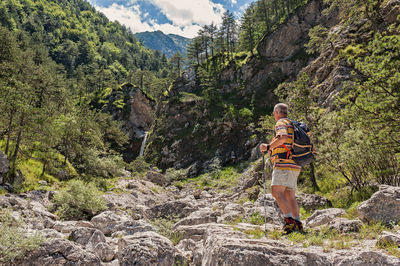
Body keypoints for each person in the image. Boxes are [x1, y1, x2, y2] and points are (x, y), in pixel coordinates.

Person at [260, 103, 303, 234]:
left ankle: (289, 221)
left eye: (274, 113)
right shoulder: (292, 124)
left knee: (276, 192)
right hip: (295, 163)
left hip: (283, 162)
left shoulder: (281, 123)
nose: (274, 116)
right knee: (290, 194)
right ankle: (297, 223)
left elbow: (283, 137)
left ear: (277, 112)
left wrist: (268, 147)